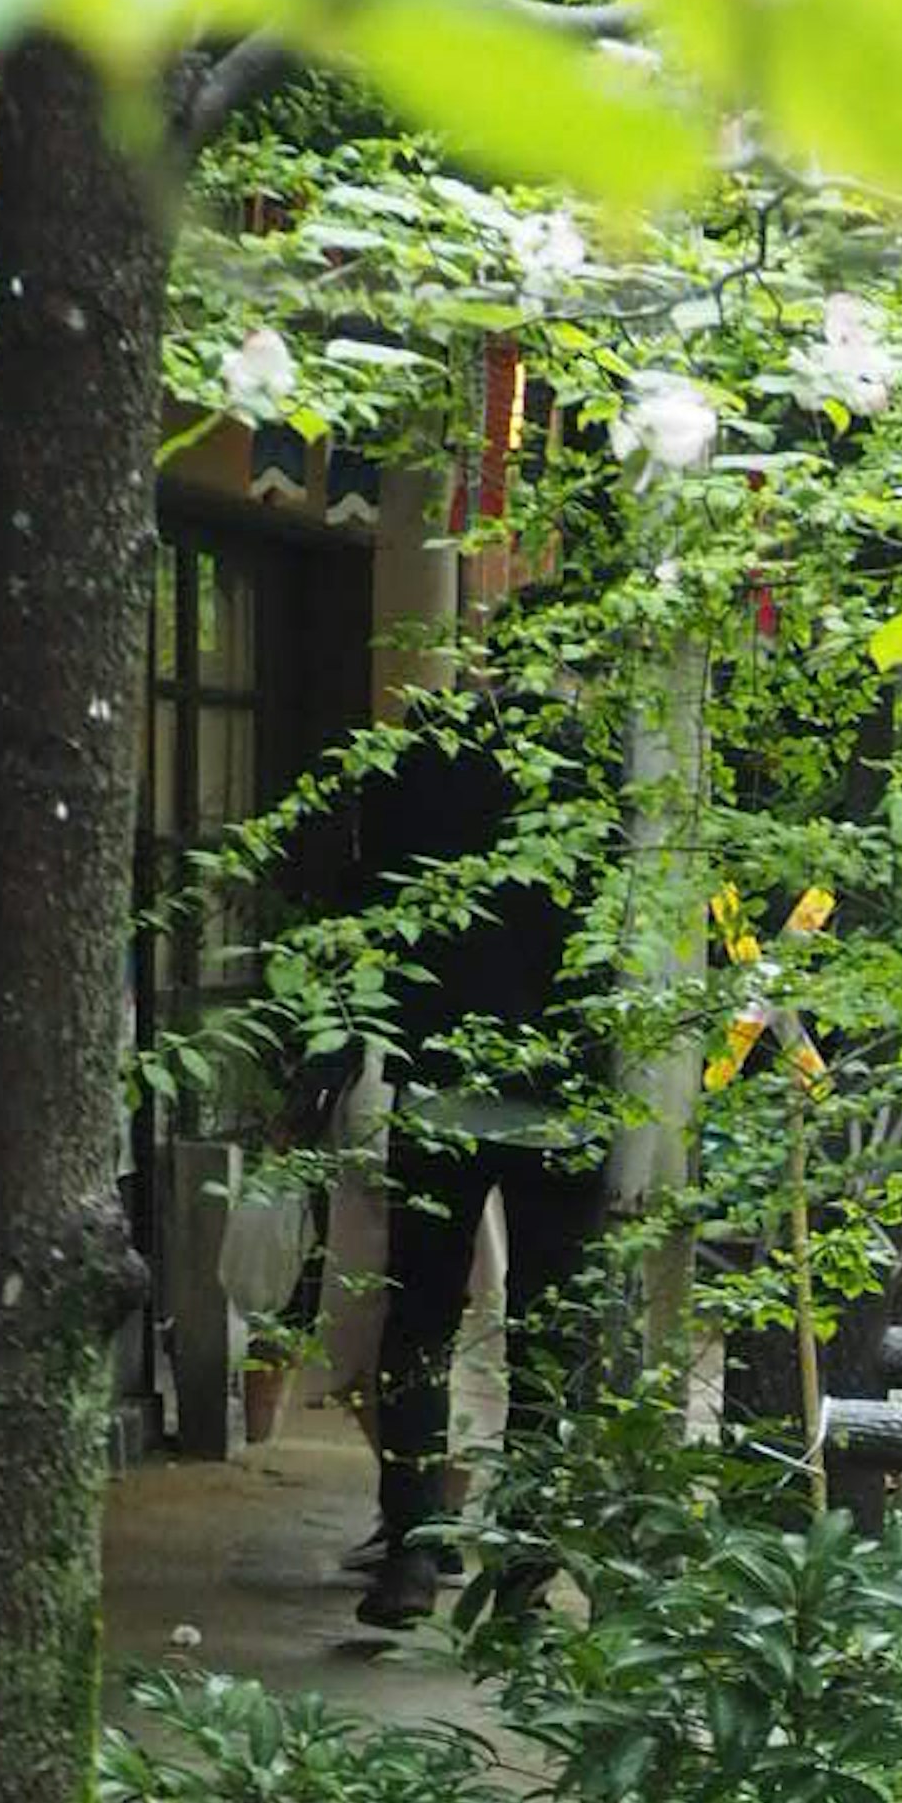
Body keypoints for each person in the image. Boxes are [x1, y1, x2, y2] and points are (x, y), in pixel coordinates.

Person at [344, 645, 608, 1626]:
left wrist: (330, 1059)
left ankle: (411, 1554)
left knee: (420, 1318)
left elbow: (372, 904)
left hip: (443, 1081)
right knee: (545, 1344)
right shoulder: (611, 767)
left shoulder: (421, 761)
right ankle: (522, 1573)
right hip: (567, 1095)